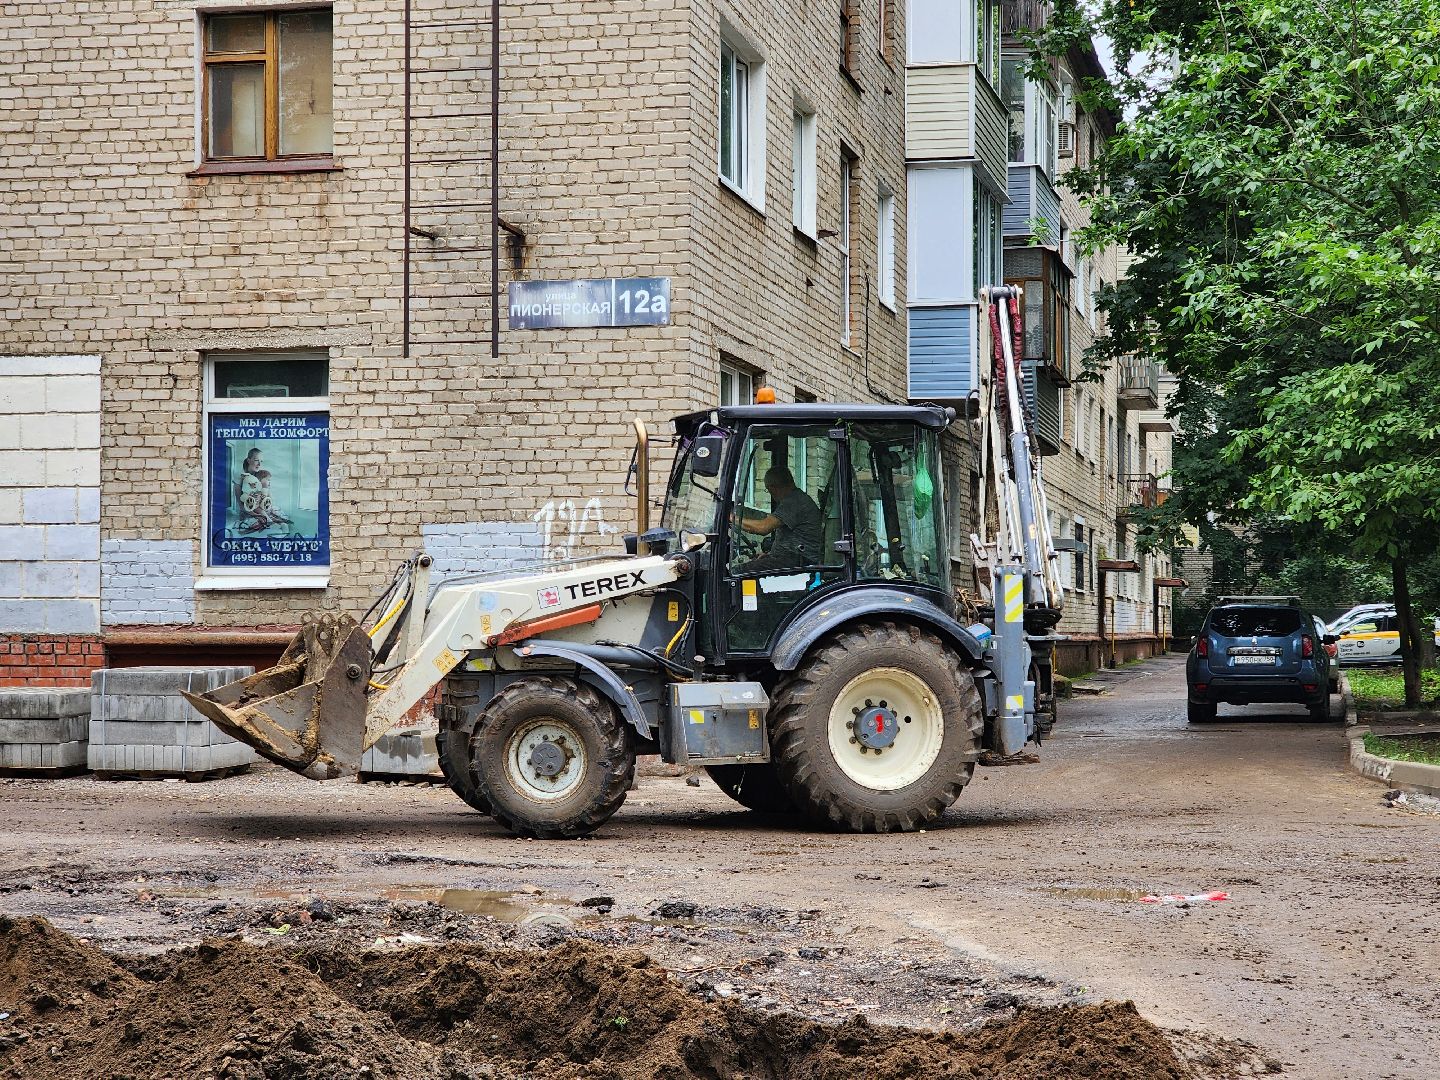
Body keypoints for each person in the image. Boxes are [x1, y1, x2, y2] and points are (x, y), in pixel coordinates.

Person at [733, 465, 823, 573]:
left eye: (768, 490)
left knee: (738, 572)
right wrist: (771, 555)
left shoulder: (794, 502)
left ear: (773, 488)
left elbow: (763, 528)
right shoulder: (796, 499)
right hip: (794, 558)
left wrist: (731, 518)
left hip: (800, 561)